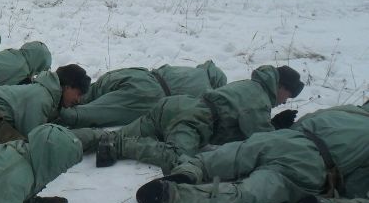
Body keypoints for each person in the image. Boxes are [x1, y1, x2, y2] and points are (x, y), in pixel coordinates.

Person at [129, 102, 369, 203]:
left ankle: (187, 173)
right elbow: (357, 183)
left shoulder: (345, 109)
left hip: (279, 140)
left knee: (214, 159)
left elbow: (306, 121)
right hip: (308, 165)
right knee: (245, 191)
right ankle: (176, 199)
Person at [90, 65, 304, 174]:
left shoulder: (250, 86)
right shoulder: (260, 100)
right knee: (176, 159)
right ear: (281, 87)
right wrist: (277, 130)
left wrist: (273, 124)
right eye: (289, 95)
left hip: (175, 105)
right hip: (193, 123)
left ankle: (74, 139)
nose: (286, 101)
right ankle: (119, 145)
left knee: (111, 133)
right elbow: (260, 141)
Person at [55, 60, 227, 128]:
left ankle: (53, 93)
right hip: (147, 95)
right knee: (91, 114)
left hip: (140, 74)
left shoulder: (193, 71)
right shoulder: (208, 91)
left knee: (88, 92)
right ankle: (53, 113)